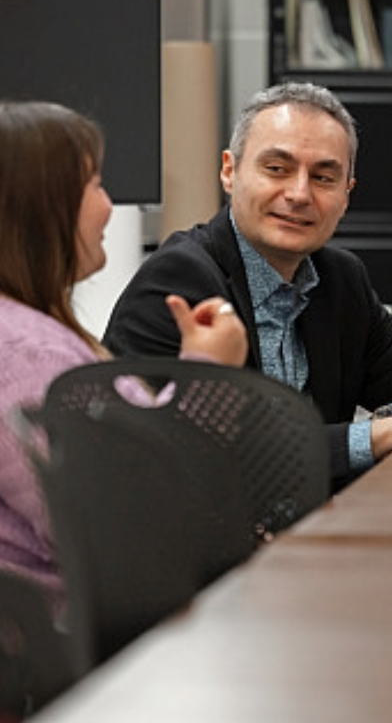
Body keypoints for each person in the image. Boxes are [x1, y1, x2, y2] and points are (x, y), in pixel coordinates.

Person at [103, 82, 392, 492]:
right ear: (230, 172)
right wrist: (383, 436)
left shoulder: (339, 279)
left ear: (346, 195)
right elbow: (214, 455)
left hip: (311, 532)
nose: (300, 194)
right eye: (277, 169)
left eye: (323, 177)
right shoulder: (179, 280)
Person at [0, 101, 248, 605]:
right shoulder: (29, 356)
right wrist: (209, 376)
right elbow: (135, 530)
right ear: (42, 207)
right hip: (87, 648)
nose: (110, 206)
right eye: (94, 184)